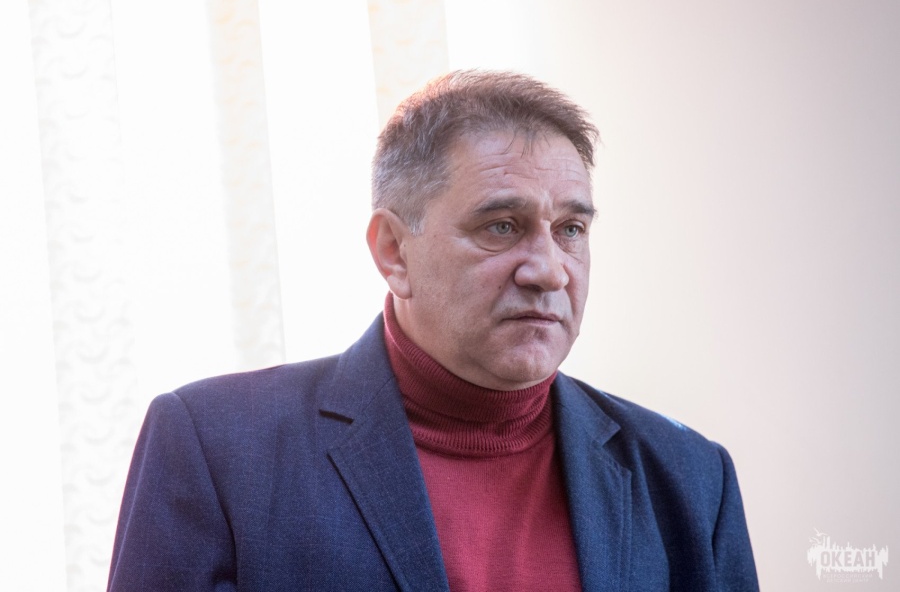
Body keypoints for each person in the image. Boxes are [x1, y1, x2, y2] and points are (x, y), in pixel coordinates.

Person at [108, 70, 759, 591]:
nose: (549, 270)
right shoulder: (217, 448)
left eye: (571, 229)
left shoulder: (691, 477)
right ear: (394, 251)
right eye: (501, 226)